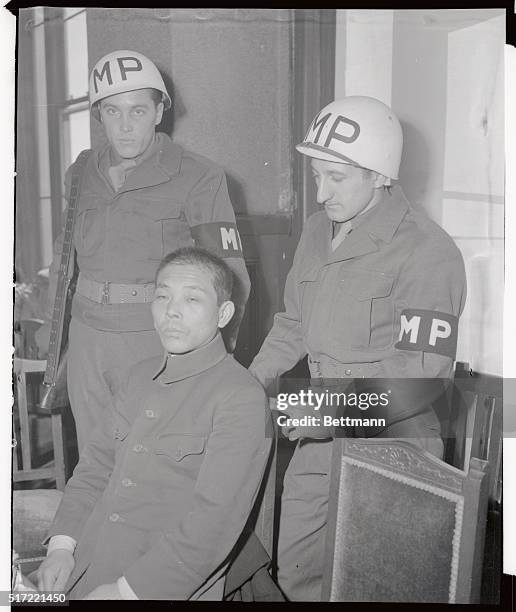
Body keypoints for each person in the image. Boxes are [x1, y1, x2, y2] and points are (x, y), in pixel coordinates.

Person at [249, 96, 467, 601]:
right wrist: (251, 380)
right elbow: (292, 323)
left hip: (394, 438)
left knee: (374, 582)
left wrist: (324, 411)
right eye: (316, 175)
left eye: (337, 177)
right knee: (295, 570)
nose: (321, 192)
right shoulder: (315, 231)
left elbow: (421, 373)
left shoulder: (429, 251)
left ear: (381, 176)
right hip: (318, 429)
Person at [36, 50, 250, 452]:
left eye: (137, 111)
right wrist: (55, 336)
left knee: (153, 459)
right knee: (95, 458)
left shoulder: (200, 176)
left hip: (155, 335)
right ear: (99, 115)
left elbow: (230, 275)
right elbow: (63, 262)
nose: (125, 126)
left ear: (158, 112)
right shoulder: (81, 172)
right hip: (87, 340)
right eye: (113, 112)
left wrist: (212, 357)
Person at [36, 247, 271, 600]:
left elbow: (213, 523)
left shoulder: (240, 396)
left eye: (192, 299)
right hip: (87, 566)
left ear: (223, 314)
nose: (171, 311)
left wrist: (125, 592)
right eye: (162, 296)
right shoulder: (137, 377)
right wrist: (61, 547)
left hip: (159, 586)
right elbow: (95, 469)